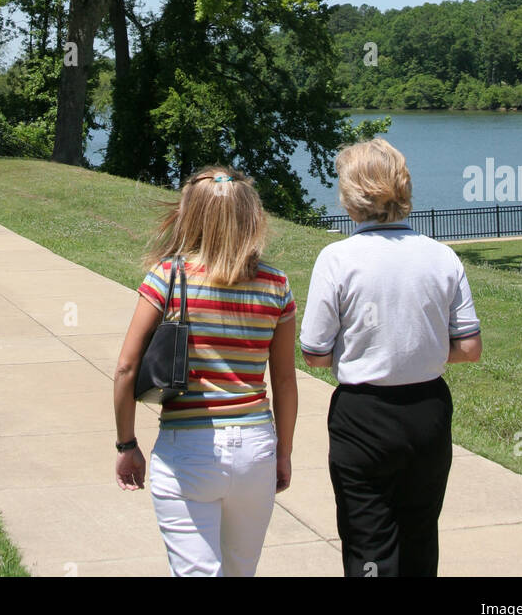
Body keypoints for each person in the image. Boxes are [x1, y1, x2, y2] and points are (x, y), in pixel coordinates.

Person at [299, 138, 481, 578]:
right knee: (420, 537)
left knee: (369, 546)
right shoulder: (442, 256)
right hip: (428, 412)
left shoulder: (337, 258)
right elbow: (469, 348)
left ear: (351, 195)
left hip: (362, 416)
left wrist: (365, 350)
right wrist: (420, 350)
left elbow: (315, 355)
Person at [113, 165, 298, 577]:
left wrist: (127, 444)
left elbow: (127, 367)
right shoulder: (276, 284)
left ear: (190, 214)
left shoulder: (167, 277)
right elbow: (284, 379)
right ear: (252, 215)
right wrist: (283, 451)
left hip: (188, 448)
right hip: (256, 448)